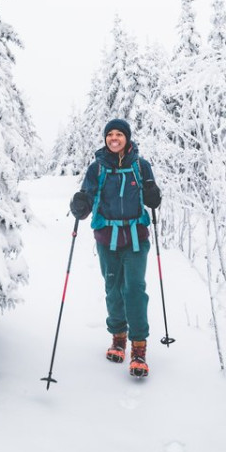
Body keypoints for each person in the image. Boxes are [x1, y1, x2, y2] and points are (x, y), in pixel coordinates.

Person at [69, 118, 161, 377]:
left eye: (119, 134)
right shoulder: (96, 169)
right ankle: (118, 337)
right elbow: (87, 198)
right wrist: (80, 204)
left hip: (135, 237)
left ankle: (139, 348)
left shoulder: (140, 167)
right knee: (112, 289)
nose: (114, 138)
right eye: (110, 134)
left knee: (135, 290)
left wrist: (154, 195)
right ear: (105, 139)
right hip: (107, 237)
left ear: (127, 138)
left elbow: (152, 197)